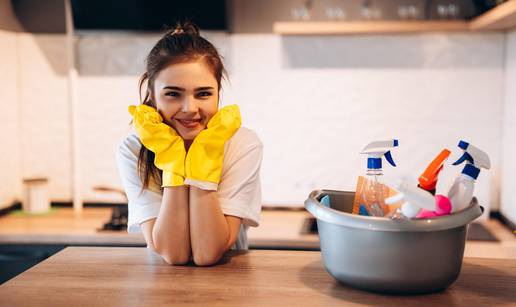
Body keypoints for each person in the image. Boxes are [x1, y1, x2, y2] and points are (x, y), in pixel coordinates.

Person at [115, 21, 263, 266]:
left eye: (203, 93)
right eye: (173, 94)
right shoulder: (133, 149)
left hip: (229, 289)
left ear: (218, 93)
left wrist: (204, 155)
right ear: (152, 94)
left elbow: (208, 253)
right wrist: (172, 159)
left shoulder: (242, 145)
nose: (190, 109)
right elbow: (173, 253)